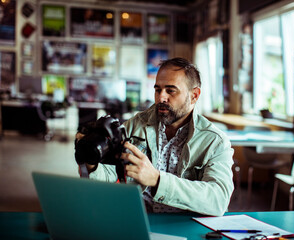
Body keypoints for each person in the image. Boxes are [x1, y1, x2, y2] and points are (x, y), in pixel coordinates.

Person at [79, 57, 234, 216]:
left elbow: (218, 199)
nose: (161, 97)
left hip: (187, 226)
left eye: (170, 90)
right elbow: (112, 175)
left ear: (194, 95)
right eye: (158, 89)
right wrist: (91, 163)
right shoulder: (135, 125)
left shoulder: (215, 142)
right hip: (139, 220)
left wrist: (157, 180)